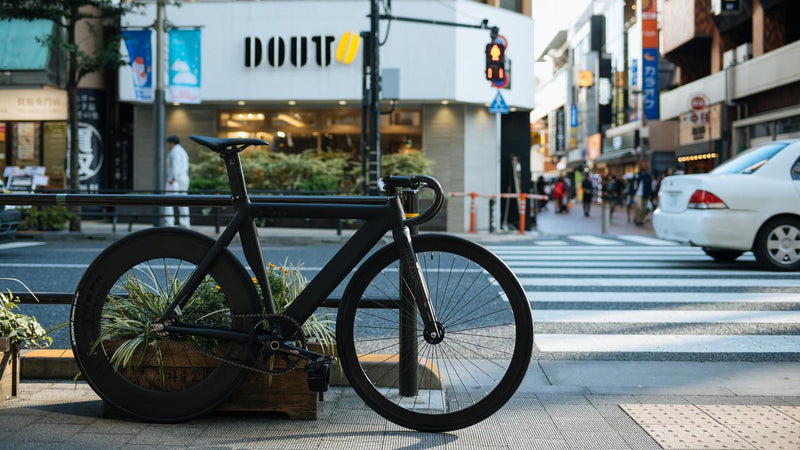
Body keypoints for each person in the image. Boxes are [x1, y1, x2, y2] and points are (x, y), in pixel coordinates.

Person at [162, 135, 191, 228]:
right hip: (183, 178)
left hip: (175, 180)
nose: (168, 145)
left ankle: (169, 222)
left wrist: (172, 178)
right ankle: (185, 223)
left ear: (172, 143)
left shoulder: (174, 151)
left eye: (168, 143)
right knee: (183, 202)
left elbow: (175, 165)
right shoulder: (182, 151)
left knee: (168, 201)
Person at [631, 160, 653, 226]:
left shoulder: (648, 176)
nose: (643, 166)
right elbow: (632, 184)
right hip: (637, 194)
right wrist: (631, 193)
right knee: (639, 206)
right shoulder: (637, 175)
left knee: (644, 208)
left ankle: (641, 220)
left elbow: (650, 186)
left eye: (644, 165)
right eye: (642, 165)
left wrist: (650, 194)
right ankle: (637, 219)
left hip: (645, 194)